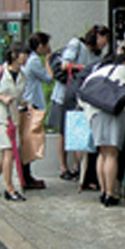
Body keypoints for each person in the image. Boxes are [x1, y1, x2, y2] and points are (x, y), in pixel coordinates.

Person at [79, 50, 125, 207]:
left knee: (102, 154)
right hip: (112, 114)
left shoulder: (99, 71)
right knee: (112, 154)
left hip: (94, 114)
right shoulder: (122, 70)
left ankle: (103, 191)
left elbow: (83, 95)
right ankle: (110, 195)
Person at [47, 25, 109, 180]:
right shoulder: (76, 44)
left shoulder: (97, 54)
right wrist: (85, 69)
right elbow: (65, 65)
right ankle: (63, 167)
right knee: (63, 132)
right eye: (104, 40)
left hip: (83, 98)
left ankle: (77, 167)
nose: (104, 44)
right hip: (64, 95)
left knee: (79, 129)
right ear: (97, 36)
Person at [0, 42, 29, 202]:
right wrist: (1, 97)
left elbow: (19, 96)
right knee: (9, 152)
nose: (26, 58)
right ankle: (9, 188)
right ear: (15, 54)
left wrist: (25, 104)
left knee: (6, 154)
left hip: (13, 117)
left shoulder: (22, 75)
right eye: (24, 54)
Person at [21, 31, 53, 190]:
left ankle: (26, 177)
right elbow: (48, 78)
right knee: (30, 143)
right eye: (47, 45)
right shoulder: (34, 61)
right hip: (32, 105)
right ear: (40, 46)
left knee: (29, 142)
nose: (49, 48)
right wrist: (48, 61)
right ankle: (26, 178)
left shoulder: (30, 59)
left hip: (29, 104)